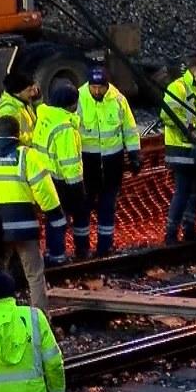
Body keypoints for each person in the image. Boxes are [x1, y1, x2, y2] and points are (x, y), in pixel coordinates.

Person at [0, 117, 64, 313]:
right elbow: (43, 188)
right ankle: (41, 319)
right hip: (25, 227)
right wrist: (56, 216)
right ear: (18, 134)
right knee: (34, 275)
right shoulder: (27, 156)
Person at [77, 66, 140, 258]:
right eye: (93, 87)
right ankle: (82, 248)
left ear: (107, 86)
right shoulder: (78, 99)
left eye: (100, 87)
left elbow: (129, 129)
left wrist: (135, 154)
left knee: (108, 205)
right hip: (88, 161)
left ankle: (105, 246)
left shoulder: (118, 100)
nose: (97, 91)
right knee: (84, 205)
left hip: (113, 161)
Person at [163, 56, 196, 244]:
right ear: (194, 70)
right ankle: (171, 233)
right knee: (183, 191)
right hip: (180, 148)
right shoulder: (178, 88)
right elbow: (168, 115)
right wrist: (188, 129)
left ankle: (189, 230)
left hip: (194, 149)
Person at [33, 86, 84, 266]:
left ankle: (51, 253)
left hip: (43, 175)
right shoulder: (65, 127)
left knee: (52, 217)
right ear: (71, 105)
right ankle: (58, 256)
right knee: (60, 219)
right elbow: (69, 163)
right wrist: (77, 189)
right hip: (59, 180)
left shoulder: (45, 116)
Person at [0, 72, 38, 145]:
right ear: (18, 93)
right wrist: (37, 138)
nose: (32, 94)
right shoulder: (7, 110)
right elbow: (11, 135)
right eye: (29, 90)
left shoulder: (23, 104)